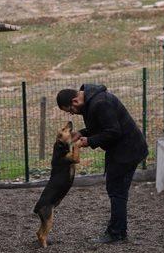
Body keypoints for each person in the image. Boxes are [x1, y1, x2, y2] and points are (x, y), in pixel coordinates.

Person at [56, 84, 148, 244]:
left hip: (128, 150)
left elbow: (113, 131)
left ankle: (117, 234)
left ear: (75, 100)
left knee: (117, 191)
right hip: (121, 150)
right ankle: (116, 230)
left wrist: (89, 141)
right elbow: (100, 126)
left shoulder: (100, 103)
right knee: (115, 189)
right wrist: (82, 133)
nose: (72, 113)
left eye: (70, 110)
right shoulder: (92, 101)